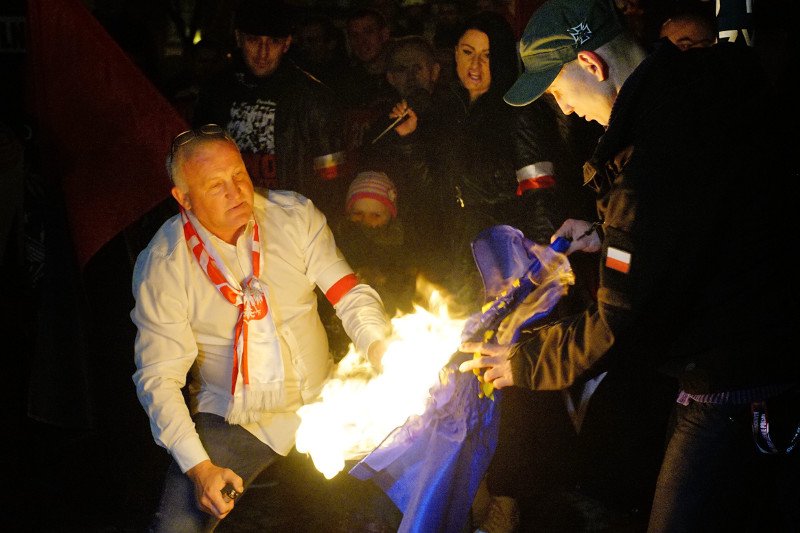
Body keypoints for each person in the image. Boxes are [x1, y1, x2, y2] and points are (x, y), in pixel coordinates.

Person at [460, 0, 800, 531]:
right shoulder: (699, 93)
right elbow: (700, 226)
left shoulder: (652, 158)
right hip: (771, 352)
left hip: (733, 383)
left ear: (592, 66)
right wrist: (605, 235)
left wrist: (523, 362)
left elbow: (620, 323)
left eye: (558, 90)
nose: (565, 109)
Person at [131, 125, 392, 532]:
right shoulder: (164, 264)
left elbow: (349, 293)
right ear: (184, 199)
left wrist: (381, 349)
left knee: (401, 494)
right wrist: (200, 469)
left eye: (239, 174)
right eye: (216, 185)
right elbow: (158, 380)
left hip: (327, 395)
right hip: (236, 417)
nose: (236, 192)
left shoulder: (294, 216)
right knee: (176, 527)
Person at [193, 0, 348, 223]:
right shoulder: (215, 93)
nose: (263, 53)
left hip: (290, 225)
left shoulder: (314, 97)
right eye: (254, 40)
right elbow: (198, 166)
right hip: (228, 221)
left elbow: (332, 181)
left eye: (273, 42)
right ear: (239, 38)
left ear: (286, 43)